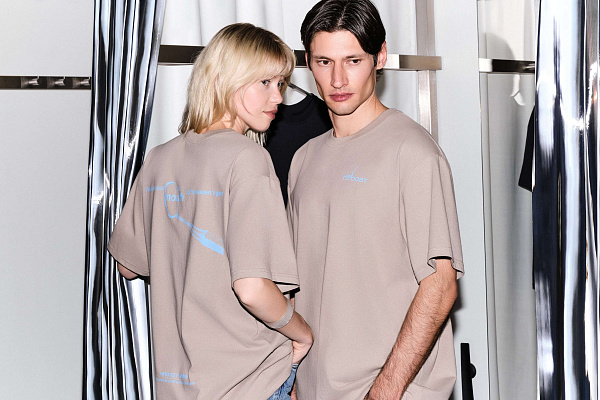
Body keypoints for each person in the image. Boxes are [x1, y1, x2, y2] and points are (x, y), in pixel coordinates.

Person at [108, 23, 313, 400]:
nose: (278, 97)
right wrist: (301, 333)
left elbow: (128, 266)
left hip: (178, 386)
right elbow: (252, 288)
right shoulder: (248, 159)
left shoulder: (160, 158)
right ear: (226, 79)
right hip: (247, 383)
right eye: (264, 82)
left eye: (281, 83)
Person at [287, 1, 464, 399]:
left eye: (353, 60)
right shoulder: (304, 159)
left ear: (379, 57)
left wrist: (384, 391)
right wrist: (292, 377)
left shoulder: (413, 152)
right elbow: (296, 285)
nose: (337, 79)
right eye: (324, 62)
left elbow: (440, 286)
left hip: (390, 389)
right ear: (309, 63)